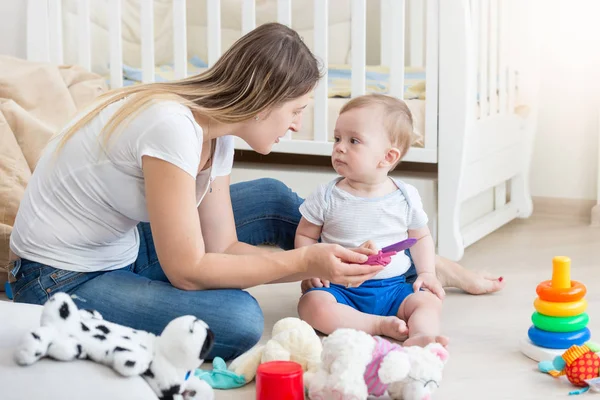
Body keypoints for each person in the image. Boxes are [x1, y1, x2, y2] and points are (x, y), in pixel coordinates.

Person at [8, 23, 503, 362]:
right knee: (238, 320)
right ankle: (394, 271)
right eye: (296, 108)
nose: (299, 123)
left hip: (127, 246)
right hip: (62, 278)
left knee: (272, 196)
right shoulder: (170, 126)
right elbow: (188, 270)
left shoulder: (216, 138)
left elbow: (220, 249)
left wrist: (314, 260)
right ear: (264, 96)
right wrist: (305, 264)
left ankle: (412, 266)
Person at [295, 94, 447, 347]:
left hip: (394, 288)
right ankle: (376, 325)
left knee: (428, 300)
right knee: (311, 305)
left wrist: (428, 273)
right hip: (340, 287)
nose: (339, 147)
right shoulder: (326, 195)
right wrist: (311, 268)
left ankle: (420, 335)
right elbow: (306, 234)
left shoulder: (405, 196)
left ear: (387, 157)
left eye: (353, 140)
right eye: (337, 138)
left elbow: (420, 237)